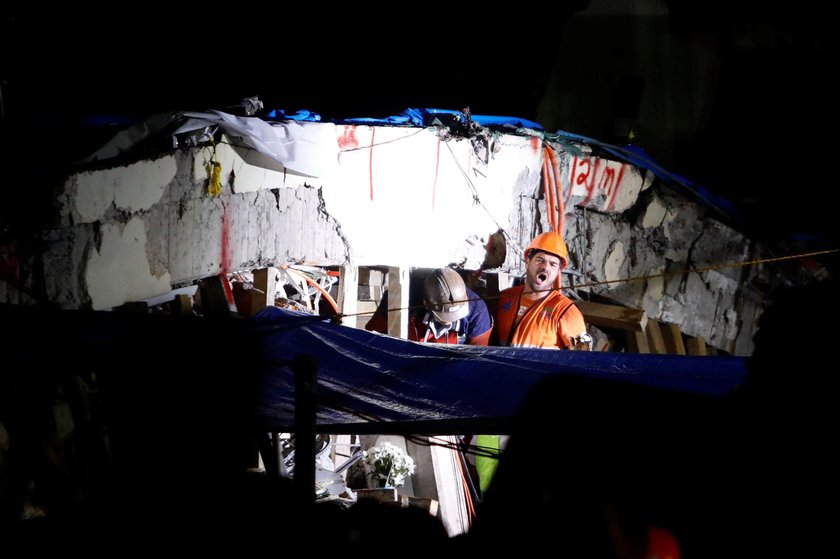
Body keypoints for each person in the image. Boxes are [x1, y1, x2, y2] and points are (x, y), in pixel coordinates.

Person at [492, 231, 591, 350]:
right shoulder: (505, 298)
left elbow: (581, 360)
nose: (545, 267)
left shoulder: (565, 312)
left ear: (558, 271)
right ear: (528, 261)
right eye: (540, 260)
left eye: (553, 264)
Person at [365, 267, 493, 345]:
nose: (449, 322)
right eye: (444, 316)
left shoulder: (478, 312)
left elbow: (478, 359)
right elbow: (372, 338)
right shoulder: (398, 298)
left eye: (454, 315)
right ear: (426, 302)